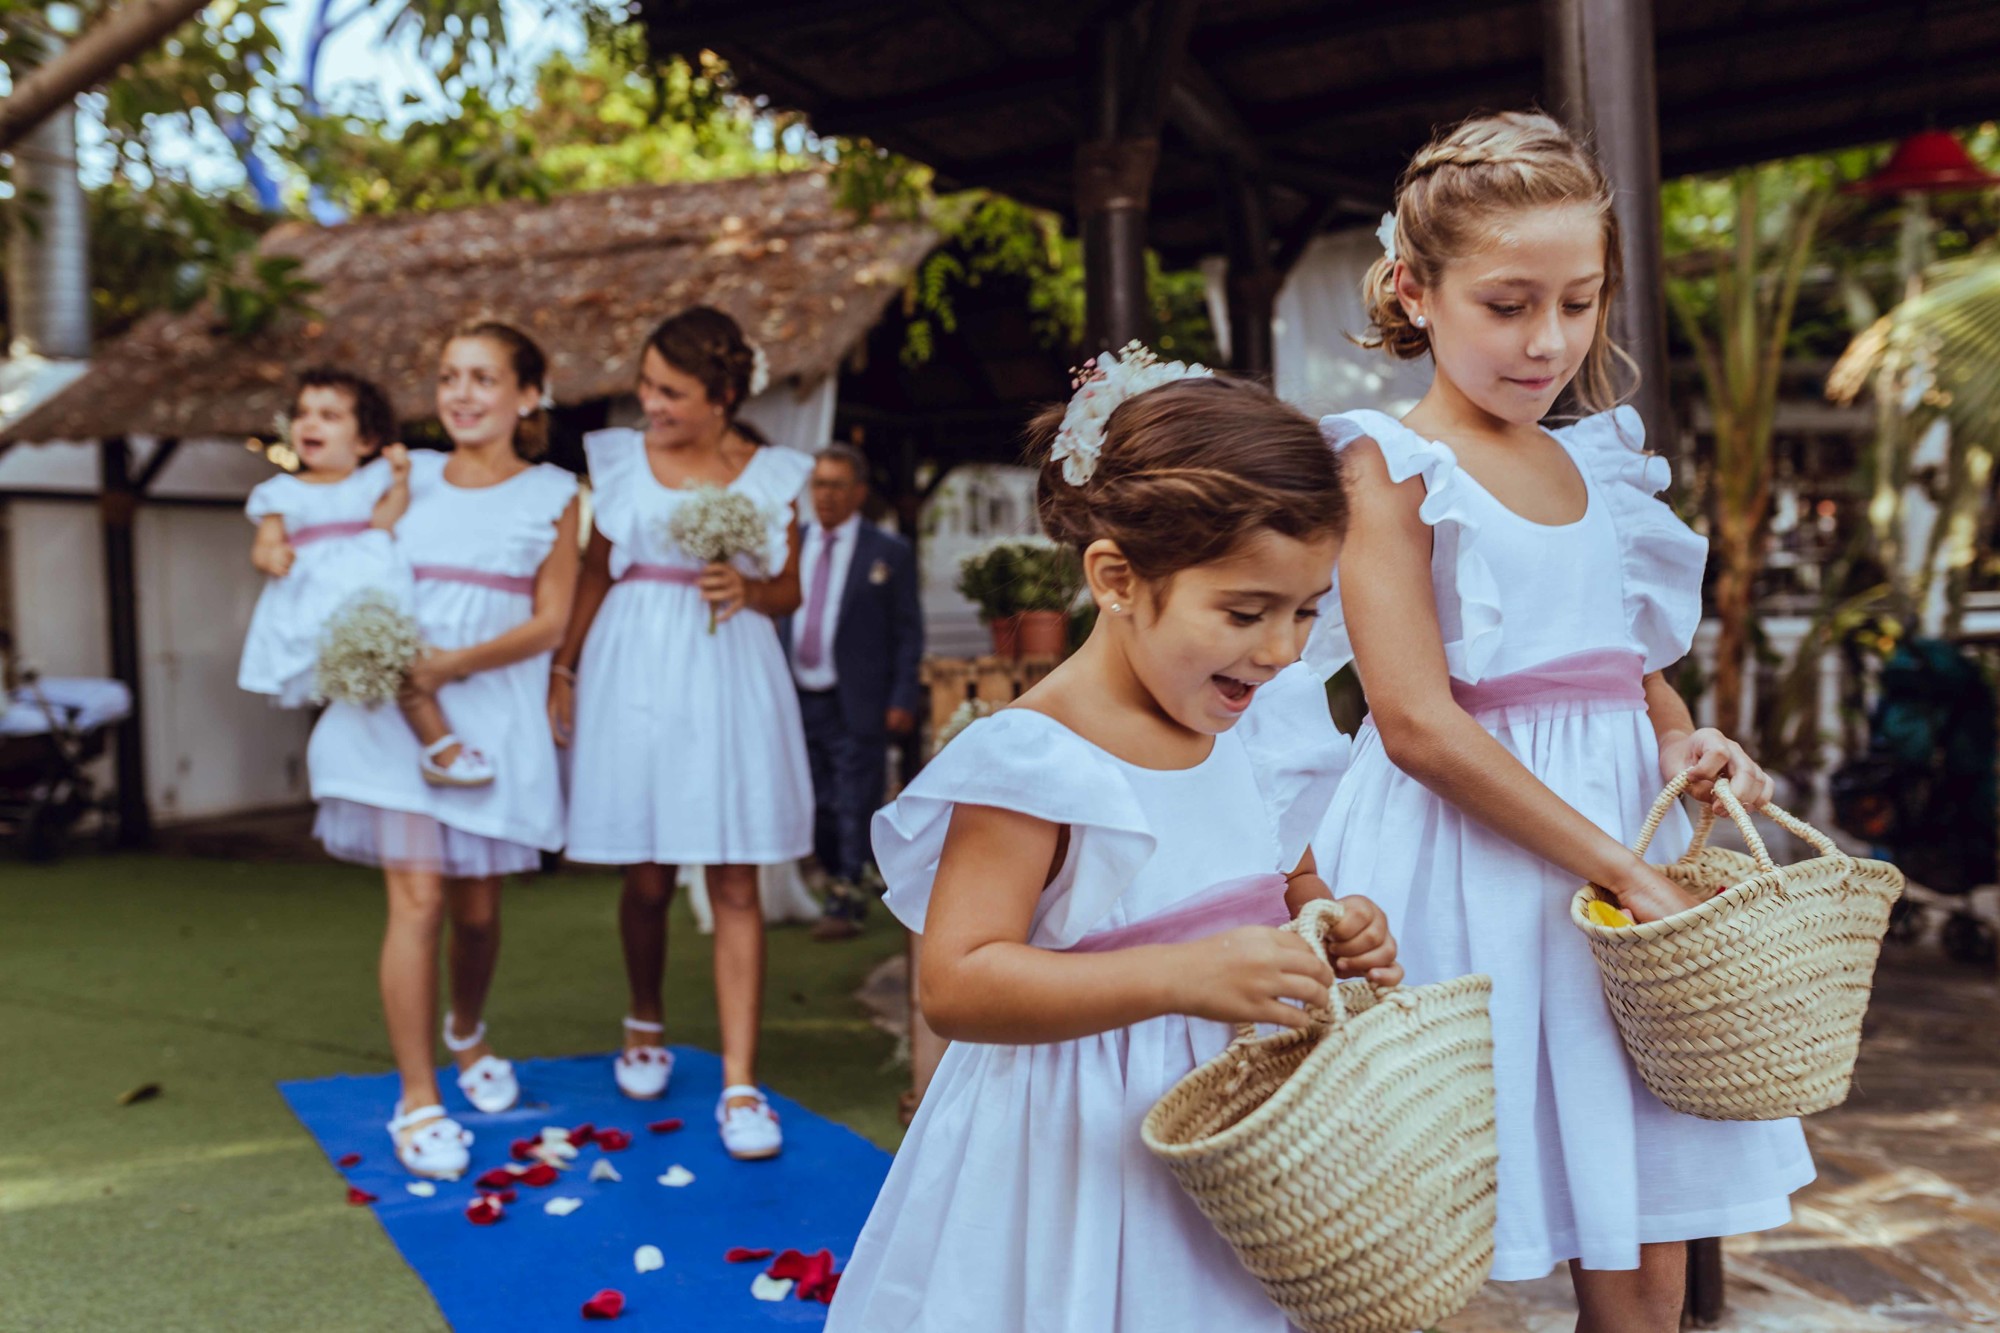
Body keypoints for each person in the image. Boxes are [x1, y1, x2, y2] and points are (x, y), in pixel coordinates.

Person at [1309, 111, 1813, 1330]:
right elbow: (1415, 719)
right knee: (1410, 1248)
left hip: (1617, 886)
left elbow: (1629, 672)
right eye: (1507, 304)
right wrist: (1620, 869)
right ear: (1413, 291)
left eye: (1577, 304)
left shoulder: (1601, 466)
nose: (1547, 342)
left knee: (1641, 1260)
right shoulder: (1386, 461)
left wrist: (1680, 744)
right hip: (1470, 871)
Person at [825, 352, 1401, 1332]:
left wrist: (1325, 916)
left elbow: (1282, 873)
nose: (1278, 650)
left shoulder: (1260, 718)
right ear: (1116, 577)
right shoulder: (1036, 760)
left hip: (1242, 1142)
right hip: (1073, 1161)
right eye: (1242, 611)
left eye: (1303, 610)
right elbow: (956, 981)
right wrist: (1180, 977)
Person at [304, 323, 580, 1178]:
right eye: (450, 376)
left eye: (484, 378)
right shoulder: (403, 474)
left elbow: (550, 618)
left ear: (526, 395)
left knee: (478, 910)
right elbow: (329, 530)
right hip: (393, 715)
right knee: (416, 901)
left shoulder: (555, 493)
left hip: (489, 712)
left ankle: (467, 1027)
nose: (461, 394)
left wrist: (453, 663)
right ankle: (418, 1097)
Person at [550, 306, 812, 1160]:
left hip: (730, 669)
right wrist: (564, 668)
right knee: (649, 872)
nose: (650, 402)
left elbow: (790, 593)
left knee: (735, 876)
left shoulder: (774, 475)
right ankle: (644, 1019)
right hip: (635, 667)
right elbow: (595, 571)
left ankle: (741, 1081)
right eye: (647, 384)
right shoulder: (621, 462)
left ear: (723, 394)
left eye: (671, 391)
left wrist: (747, 588)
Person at [239, 368, 494, 788]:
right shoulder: (282, 491)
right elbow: (263, 545)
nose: (310, 423)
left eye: (329, 416)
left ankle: (437, 737)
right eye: (303, 414)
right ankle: (441, 747)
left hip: (368, 585)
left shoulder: (371, 480)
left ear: (366, 441)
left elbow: (386, 520)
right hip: (320, 601)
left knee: (399, 660)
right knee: (381, 672)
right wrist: (273, 555)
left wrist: (398, 482)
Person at [781, 444, 923, 941]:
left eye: (837, 485)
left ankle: (845, 899)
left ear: (859, 493)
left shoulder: (887, 552)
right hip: (796, 696)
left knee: (853, 799)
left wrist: (903, 696)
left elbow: (908, 631)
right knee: (813, 802)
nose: (826, 495)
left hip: (857, 699)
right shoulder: (788, 544)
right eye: (819, 484)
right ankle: (838, 877)